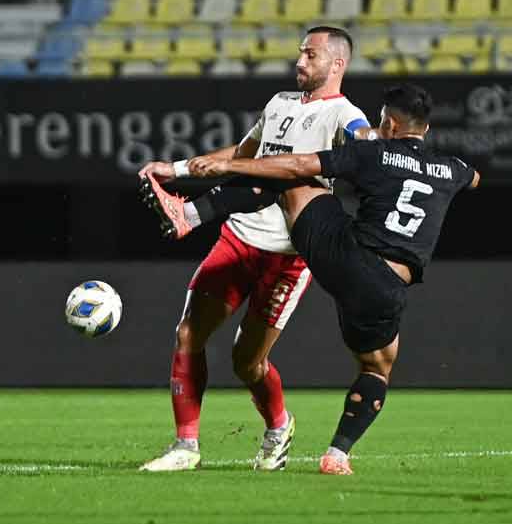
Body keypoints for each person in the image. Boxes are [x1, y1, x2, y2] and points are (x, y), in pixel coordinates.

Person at [188, 83, 480, 475]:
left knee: (296, 178)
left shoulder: (375, 153)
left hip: (346, 259)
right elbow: (474, 177)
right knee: (377, 368)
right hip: (387, 290)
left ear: (389, 125)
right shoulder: (453, 170)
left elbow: (298, 165)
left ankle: (196, 212)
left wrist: (228, 165)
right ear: (425, 130)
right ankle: (337, 454)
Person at [137, 26, 376, 472]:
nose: (300, 62)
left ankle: (279, 426)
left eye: (311, 55)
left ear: (337, 65)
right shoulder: (279, 103)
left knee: (247, 362)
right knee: (189, 334)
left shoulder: (345, 115)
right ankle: (185, 447)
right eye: (300, 53)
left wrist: (378, 145)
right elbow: (244, 154)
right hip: (240, 236)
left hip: (288, 255)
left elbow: (367, 143)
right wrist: (176, 169)